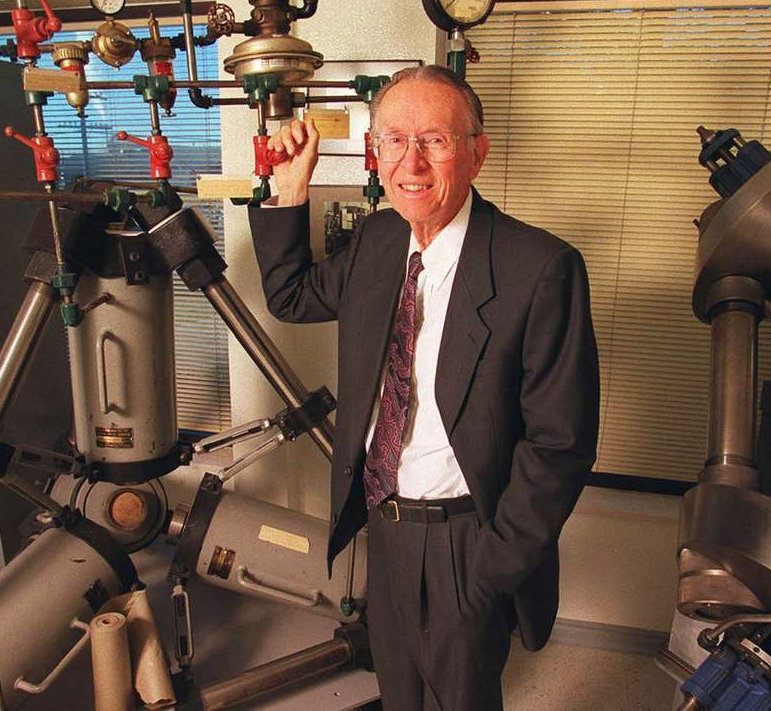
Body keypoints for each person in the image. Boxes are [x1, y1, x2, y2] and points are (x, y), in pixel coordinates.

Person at [247, 65, 599, 710]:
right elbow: (292, 296)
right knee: (399, 690)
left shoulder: (541, 268)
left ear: (477, 152)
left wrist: (492, 569)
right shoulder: (379, 240)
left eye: (435, 140)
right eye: (394, 140)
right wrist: (289, 190)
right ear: (373, 154)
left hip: (469, 537)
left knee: (459, 699)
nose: (412, 161)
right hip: (385, 523)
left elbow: (561, 441)